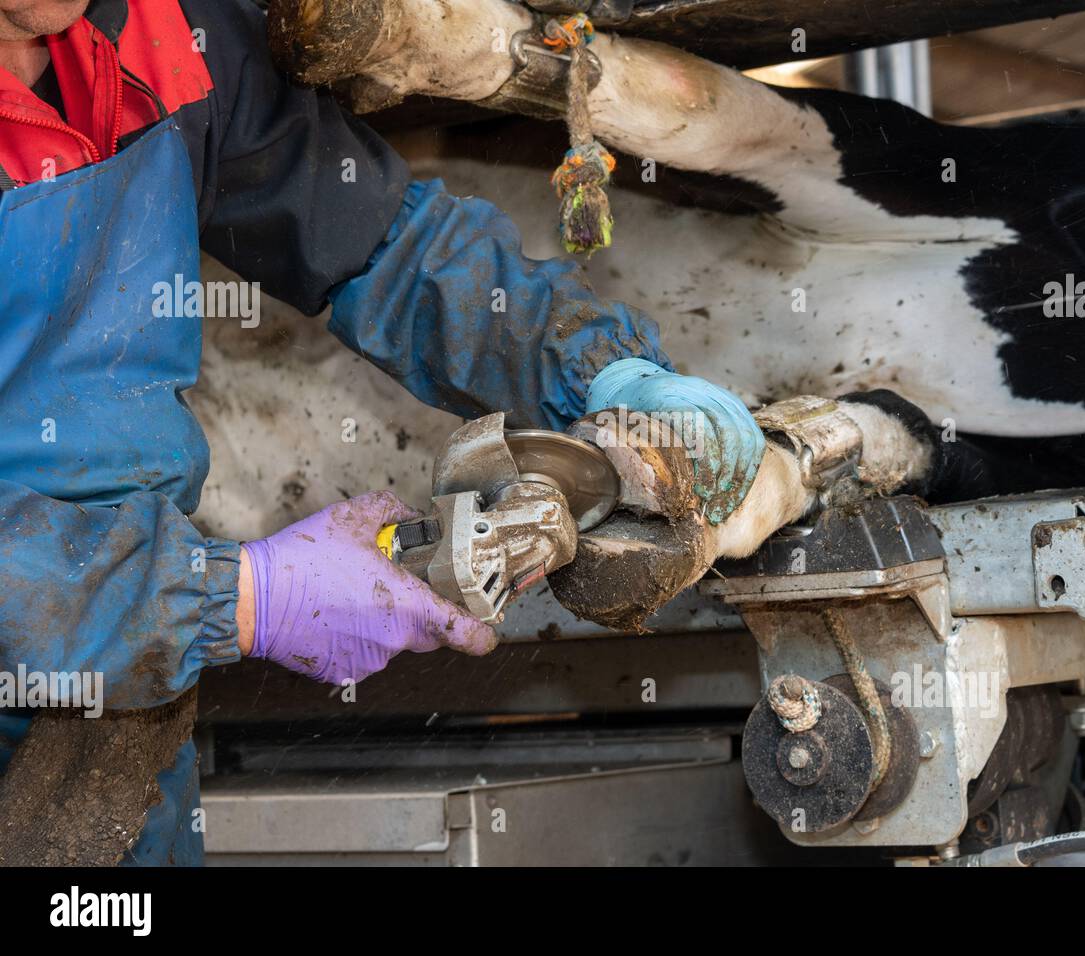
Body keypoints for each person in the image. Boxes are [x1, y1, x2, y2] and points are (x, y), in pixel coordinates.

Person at [0, 0, 764, 864]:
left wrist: (602, 373)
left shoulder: (162, 26)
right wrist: (238, 598)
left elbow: (381, 243)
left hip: (121, 718)